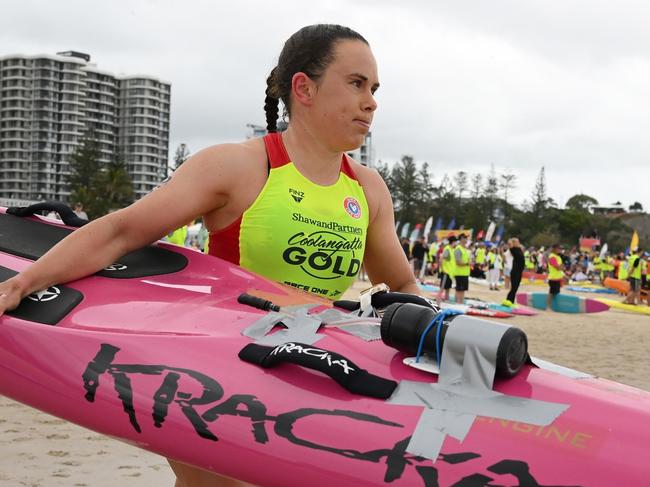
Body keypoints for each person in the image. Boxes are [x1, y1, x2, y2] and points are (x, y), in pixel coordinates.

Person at [0, 24, 422, 487]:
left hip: (302, 373)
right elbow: (121, 232)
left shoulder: (366, 189)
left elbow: (401, 284)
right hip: (220, 374)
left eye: (375, 89)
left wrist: (432, 341)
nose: (372, 102)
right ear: (303, 88)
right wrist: (20, 285)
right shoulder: (238, 166)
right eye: (357, 83)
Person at [503, 238, 524, 306]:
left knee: (515, 288)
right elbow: (509, 243)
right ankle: (508, 301)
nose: (519, 243)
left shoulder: (519, 249)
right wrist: (511, 241)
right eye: (517, 242)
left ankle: (511, 301)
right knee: (514, 288)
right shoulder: (513, 249)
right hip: (515, 272)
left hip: (519, 271)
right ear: (514, 243)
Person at [436, 236, 456, 304]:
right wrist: (442, 269)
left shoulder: (452, 249)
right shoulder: (447, 249)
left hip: (450, 273)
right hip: (446, 272)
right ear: (453, 242)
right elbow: (441, 259)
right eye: (455, 241)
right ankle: (437, 303)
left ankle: (446, 301)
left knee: (448, 288)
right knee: (442, 288)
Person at [547, 243, 565, 311]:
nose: (560, 250)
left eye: (560, 249)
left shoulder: (558, 257)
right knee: (551, 293)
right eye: (558, 249)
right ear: (554, 249)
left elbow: (561, 267)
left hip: (558, 278)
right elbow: (558, 268)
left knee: (556, 293)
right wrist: (562, 266)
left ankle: (554, 306)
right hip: (553, 278)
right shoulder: (552, 257)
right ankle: (548, 307)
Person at [454, 233, 470, 304]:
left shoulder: (465, 249)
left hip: (465, 273)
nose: (466, 239)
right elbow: (458, 262)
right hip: (459, 273)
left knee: (463, 290)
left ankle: (461, 303)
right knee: (459, 290)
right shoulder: (458, 249)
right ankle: (457, 303)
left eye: (466, 238)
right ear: (460, 239)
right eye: (464, 238)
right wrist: (467, 263)